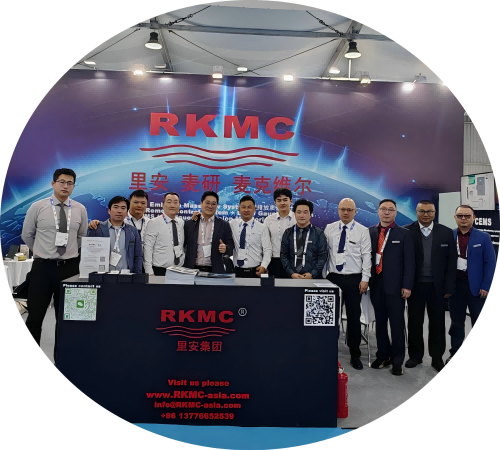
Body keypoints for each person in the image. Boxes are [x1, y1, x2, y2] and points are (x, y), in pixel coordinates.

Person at [21, 168, 88, 349]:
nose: (65, 186)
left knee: (67, 318)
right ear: (53, 183)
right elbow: (27, 235)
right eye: (62, 182)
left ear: (73, 186)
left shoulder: (80, 209)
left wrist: (67, 253)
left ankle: (62, 361)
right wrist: (42, 252)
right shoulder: (37, 207)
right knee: (34, 317)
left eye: (70, 183)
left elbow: (81, 236)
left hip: (70, 269)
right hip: (42, 269)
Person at [403, 200, 457, 372]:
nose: (426, 214)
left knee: (438, 323)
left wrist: (449, 287)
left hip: (438, 287)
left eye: (429, 211)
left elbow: (451, 262)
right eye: (422, 211)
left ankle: (437, 357)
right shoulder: (406, 231)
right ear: (416, 212)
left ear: (434, 212)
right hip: (415, 286)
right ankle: (415, 356)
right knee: (414, 322)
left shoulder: (446, 232)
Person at [323, 198, 371, 370]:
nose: (346, 212)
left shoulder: (362, 231)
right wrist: (323, 278)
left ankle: (355, 354)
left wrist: (365, 279)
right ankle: (328, 351)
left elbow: (367, 256)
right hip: (333, 278)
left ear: (355, 211)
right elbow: (325, 254)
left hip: (354, 280)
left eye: (349, 210)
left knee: (353, 318)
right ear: (338, 210)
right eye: (343, 209)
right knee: (330, 318)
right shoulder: (329, 228)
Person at [368, 199, 415, 376]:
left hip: (396, 287)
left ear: (395, 212)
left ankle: (397, 360)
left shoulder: (404, 234)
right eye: (383, 209)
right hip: (376, 285)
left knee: (396, 325)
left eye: (390, 209)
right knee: (380, 324)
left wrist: (407, 286)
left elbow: (410, 262)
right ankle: (383, 355)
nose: (386, 212)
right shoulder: (370, 232)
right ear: (378, 211)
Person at [447, 205, 496, 364]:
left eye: (467, 216)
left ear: (473, 217)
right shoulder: (448, 236)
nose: (463, 218)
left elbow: (490, 263)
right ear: (455, 218)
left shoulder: (483, 237)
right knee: (456, 323)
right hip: (455, 288)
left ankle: (479, 357)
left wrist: (486, 286)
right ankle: (455, 353)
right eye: (460, 215)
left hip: (477, 288)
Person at [87, 196, 143, 273]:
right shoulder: (96, 228)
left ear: (127, 213)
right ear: (109, 211)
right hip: (103, 275)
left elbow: (138, 256)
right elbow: (89, 253)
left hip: (126, 275)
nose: (119, 211)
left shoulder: (133, 231)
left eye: (123, 208)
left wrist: (137, 275)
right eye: (116, 207)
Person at [183, 191, 234, 274]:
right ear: (201, 203)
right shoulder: (190, 224)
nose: (210, 206)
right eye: (207, 203)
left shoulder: (224, 225)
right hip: (192, 270)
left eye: (213, 204)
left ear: (217, 206)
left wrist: (225, 248)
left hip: (215, 271)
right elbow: (182, 245)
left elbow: (231, 246)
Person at [280, 199, 327, 279]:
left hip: (312, 278)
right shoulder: (288, 232)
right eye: (299, 212)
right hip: (291, 277)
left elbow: (323, 256)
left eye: (305, 212)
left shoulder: (319, 233)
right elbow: (283, 255)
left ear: (310, 214)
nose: (302, 215)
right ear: (294, 214)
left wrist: (312, 274)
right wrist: (291, 273)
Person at [230, 195, 272, 278]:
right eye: (243, 207)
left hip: (255, 271)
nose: (246, 210)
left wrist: (264, 266)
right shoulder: (232, 224)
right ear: (239, 209)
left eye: (249, 207)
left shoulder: (262, 227)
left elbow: (267, 249)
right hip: (236, 271)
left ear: (254, 209)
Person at [143, 192, 184, 276]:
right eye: (169, 202)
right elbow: (148, 248)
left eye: (175, 202)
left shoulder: (181, 222)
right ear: (163, 205)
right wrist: (149, 272)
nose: (172, 205)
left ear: (179, 205)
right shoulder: (154, 222)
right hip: (159, 271)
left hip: (179, 271)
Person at [264, 188, 296, 278]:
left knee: (294, 286)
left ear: (291, 201)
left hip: (293, 260)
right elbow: (265, 243)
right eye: (279, 200)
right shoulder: (269, 220)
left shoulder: (297, 218)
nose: (282, 203)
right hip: (275, 261)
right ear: (275, 202)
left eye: (285, 200)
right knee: (275, 286)